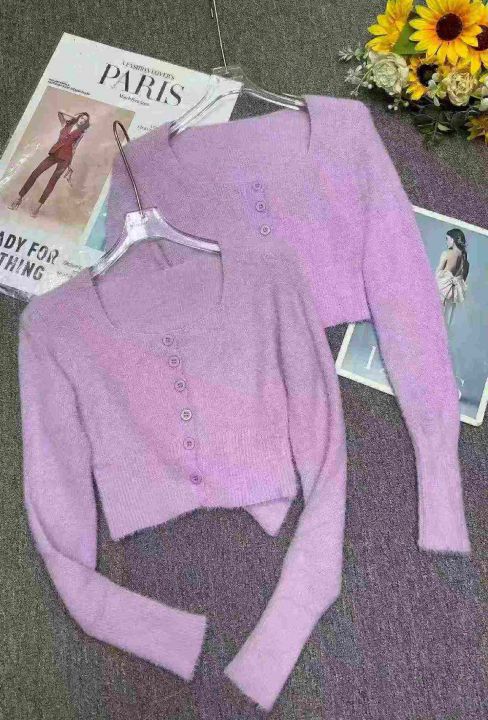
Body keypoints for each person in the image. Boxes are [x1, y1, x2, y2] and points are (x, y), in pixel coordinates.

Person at [8, 111, 90, 217]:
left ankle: (37, 208)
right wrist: (74, 117)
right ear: (79, 117)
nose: (82, 120)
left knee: (52, 182)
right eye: (82, 118)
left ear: (85, 123)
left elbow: (74, 148)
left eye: (85, 120)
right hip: (54, 153)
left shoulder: (81, 133)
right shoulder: (66, 124)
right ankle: (19, 198)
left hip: (65, 159)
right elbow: (60, 112)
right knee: (35, 173)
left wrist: (70, 163)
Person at [435, 227, 469, 327]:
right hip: (452, 295)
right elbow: (463, 280)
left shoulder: (446, 254)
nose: (446, 242)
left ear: (453, 240)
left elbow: (437, 274)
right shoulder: (466, 262)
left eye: (447, 239)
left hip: (441, 291)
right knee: (446, 322)